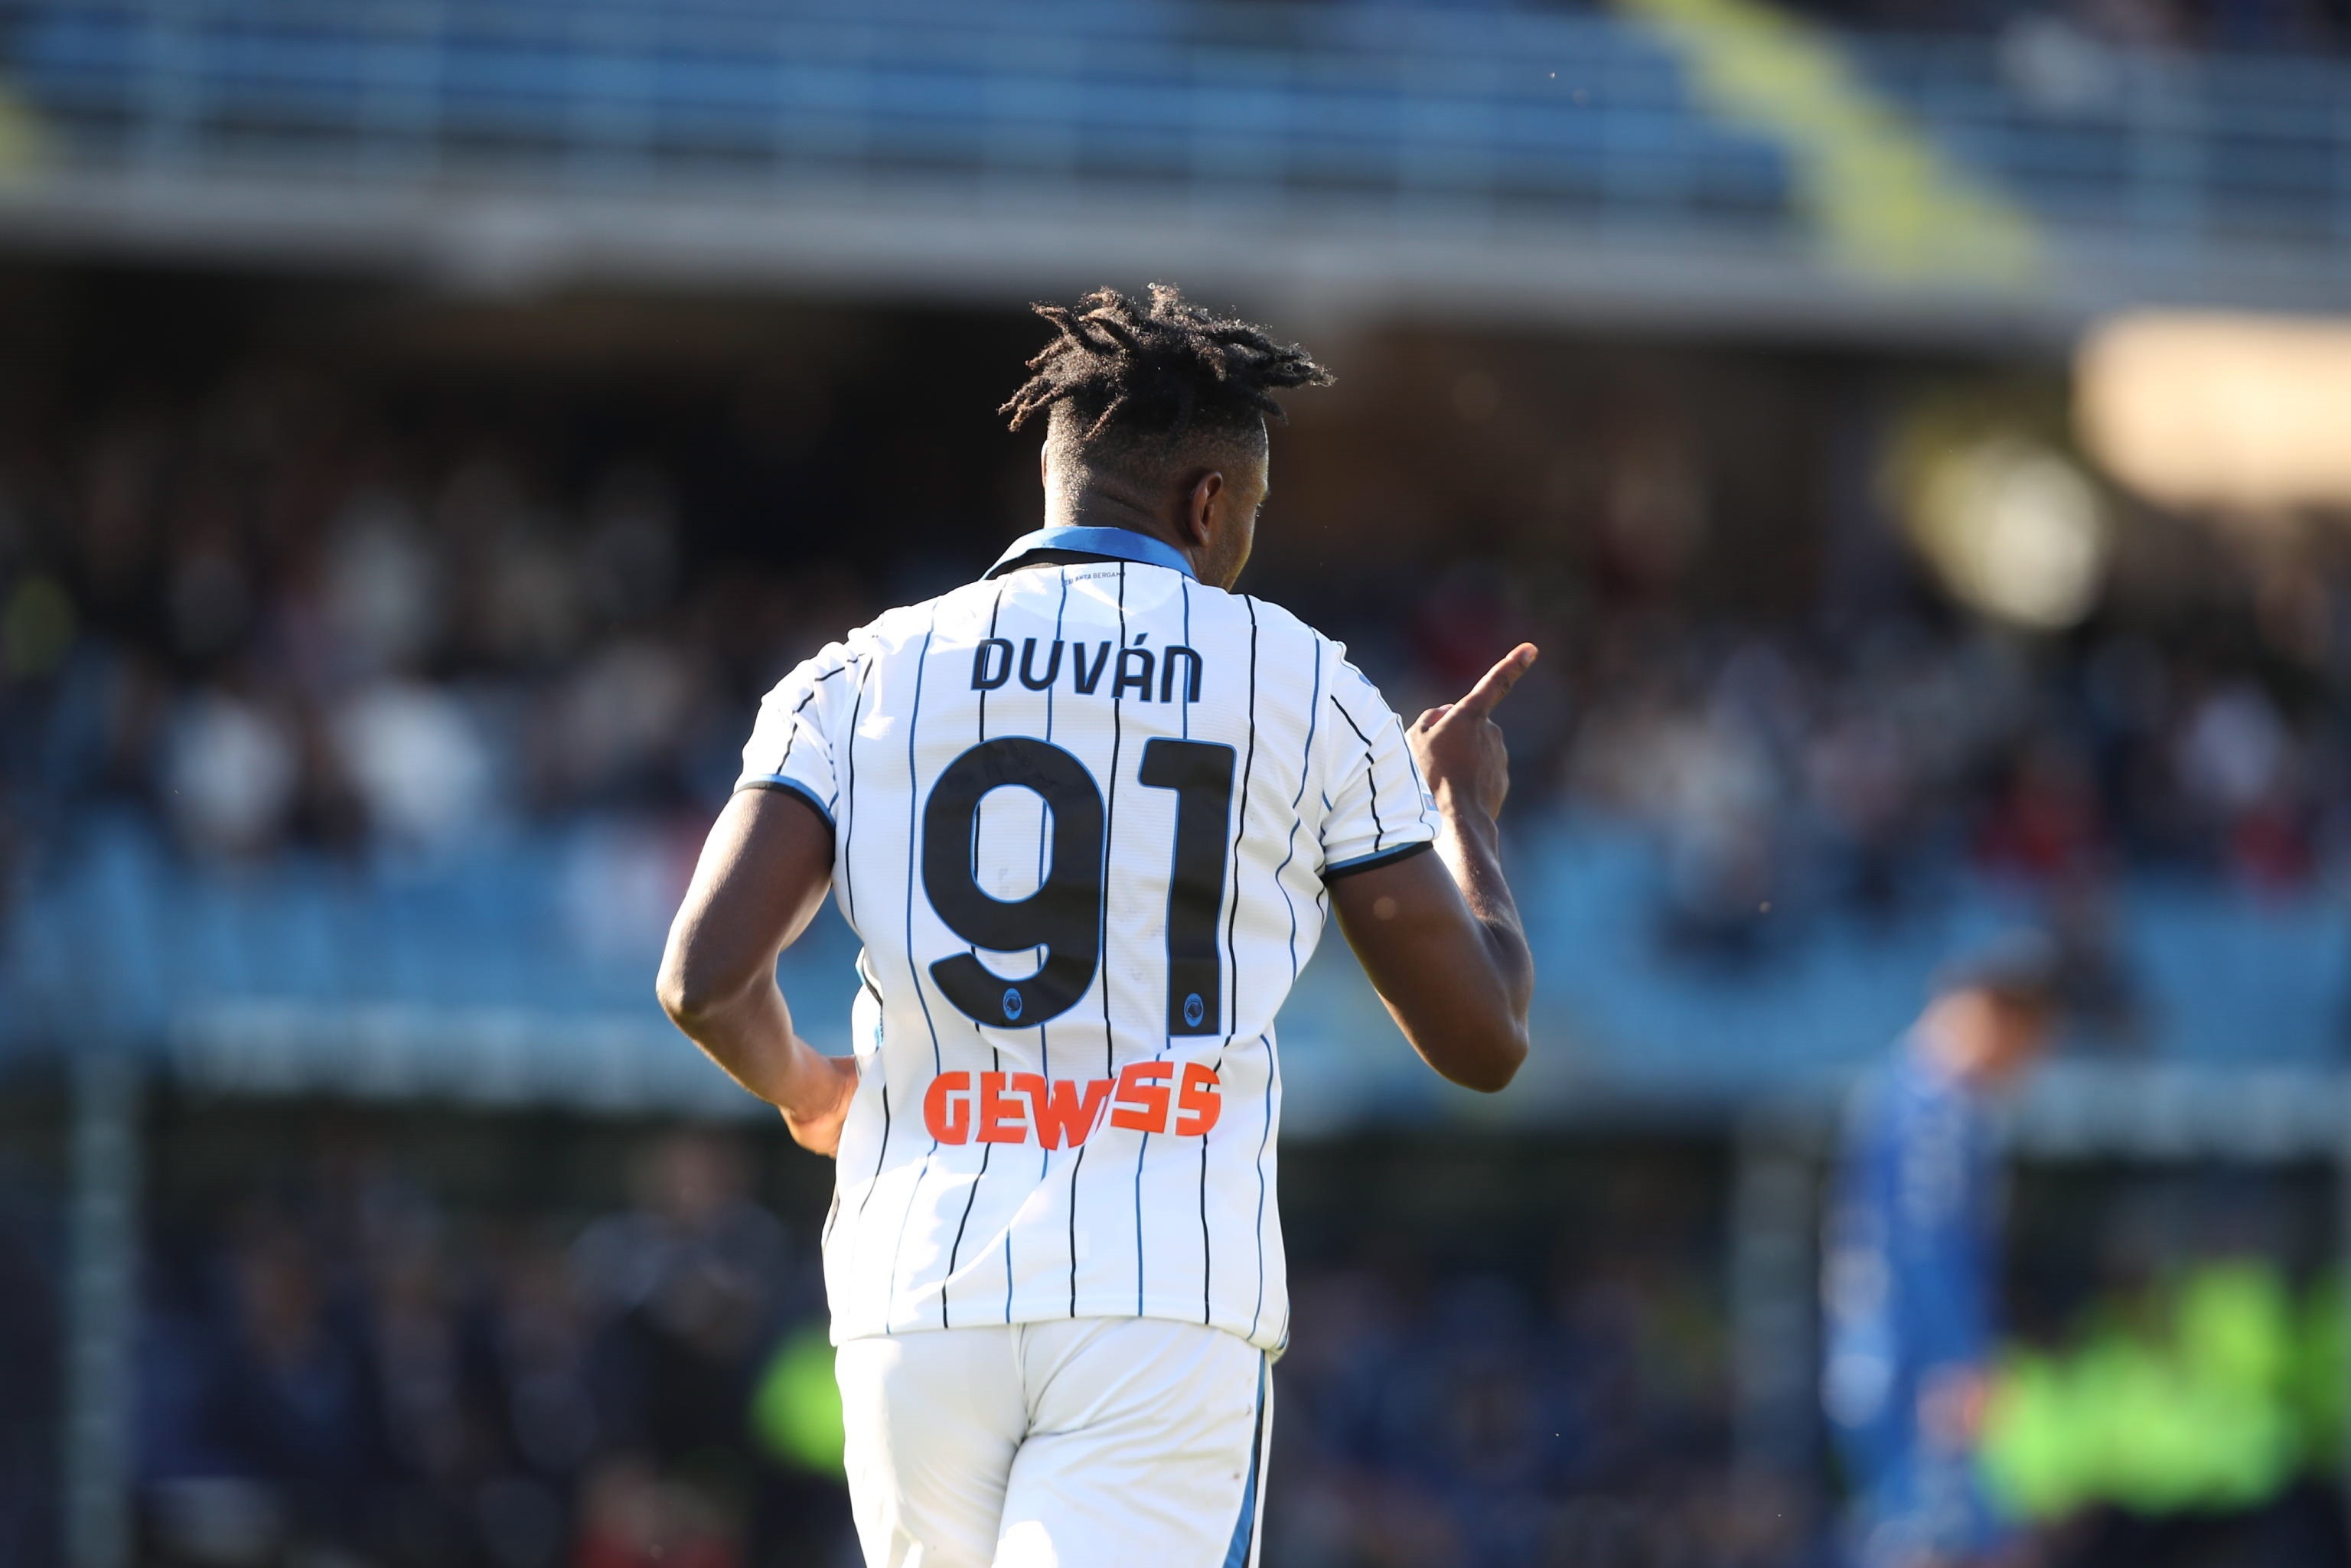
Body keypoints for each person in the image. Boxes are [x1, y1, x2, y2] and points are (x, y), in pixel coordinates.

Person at [656, 282, 1537, 1568]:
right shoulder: (1299, 679)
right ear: (1207, 503)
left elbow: (702, 975)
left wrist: (806, 1084)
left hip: (915, 1291)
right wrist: (1463, 811)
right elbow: (1484, 1037)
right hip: (1162, 1295)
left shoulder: (856, 675)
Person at [1822, 933, 2061, 1568]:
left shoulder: (1902, 1096)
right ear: (1993, 1017)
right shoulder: (1934, 1111)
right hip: (1913, 1367)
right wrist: (1957, 1360)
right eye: (2029, 1042)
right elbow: (1925, 1244)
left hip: (1885, 1360)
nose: (2027, 1065)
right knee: (1941, 1547)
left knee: (1934, 1537)